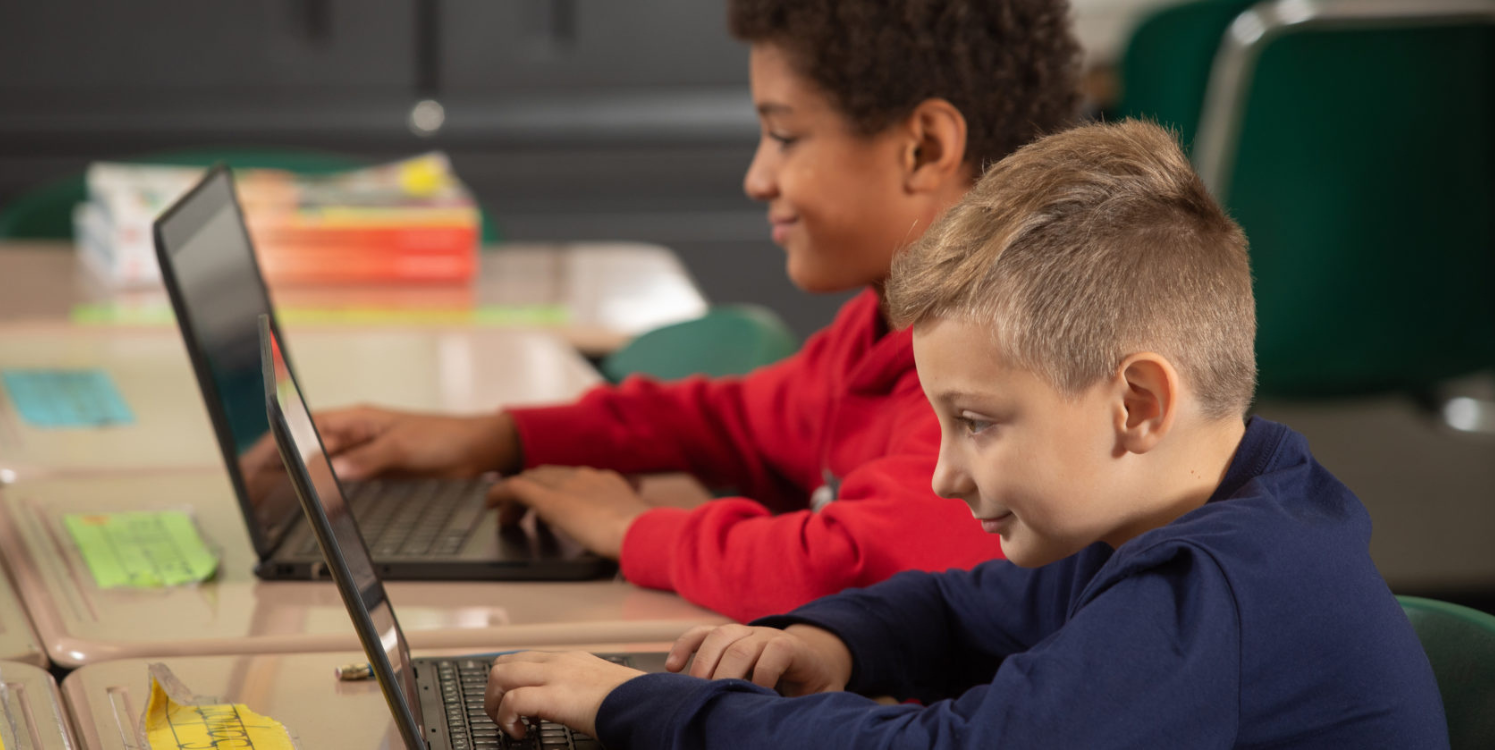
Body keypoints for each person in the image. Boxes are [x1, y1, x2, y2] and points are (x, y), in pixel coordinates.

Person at [477, 120, 1450, 748]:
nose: (943, 475)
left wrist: (630, 705)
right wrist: (831, 642)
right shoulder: (1208, 496)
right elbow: (962, 607)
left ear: (1138, 407)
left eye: (978, 423)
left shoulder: (1218, 590)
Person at [314, 0, 1081, 621]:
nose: (757, 177)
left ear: (923, 147)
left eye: (785, 136)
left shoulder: (1001, 366)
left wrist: (632, 531)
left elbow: (848, 567)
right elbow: (733, 419)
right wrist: (498, 435)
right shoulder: (883, 325)